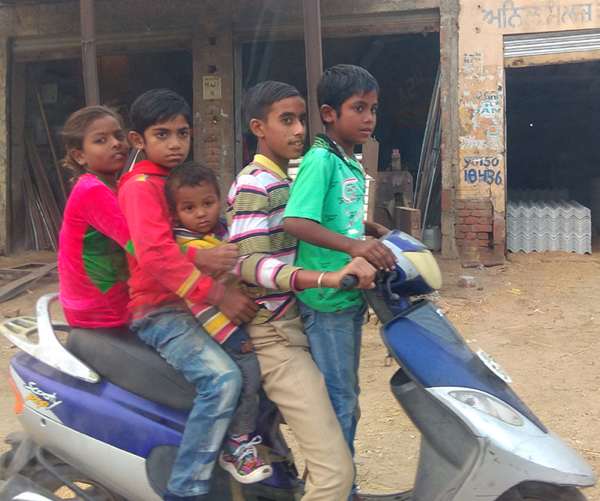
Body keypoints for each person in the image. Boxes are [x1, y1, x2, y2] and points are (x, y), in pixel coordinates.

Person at [227, 80, 377, 501]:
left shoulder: (285, 179)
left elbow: (313, 224)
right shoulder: (255, 183)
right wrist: (325, 278)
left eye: (300, 119)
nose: (298, 130)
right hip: (274, 333)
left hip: (295, 320)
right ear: (259, 127)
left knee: (345, 404)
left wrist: (368, 231)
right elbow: (249, 263)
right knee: (334, 474)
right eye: (286, 120)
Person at [118, 89, 259, 501]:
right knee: (222, 380)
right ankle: (185, 488)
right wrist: (218, 294)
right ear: (138, 140)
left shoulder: (179, 182)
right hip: (160, 310)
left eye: (182, 133)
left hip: (191, 306)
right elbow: (155, 254)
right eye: (161, 134)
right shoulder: (141, 187)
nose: (174, 143)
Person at [283, 64, 397, 501]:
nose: (369, 118)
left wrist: (370, 229)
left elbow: (334, 213)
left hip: (347, 295)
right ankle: (335, 491)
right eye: (358, 108)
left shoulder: (345, 158)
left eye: (373, 109)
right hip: (326, 299)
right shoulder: (320, 160)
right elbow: (297, 220)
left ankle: (333, 483)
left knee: (346, 395)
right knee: (340, 402)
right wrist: (353, 247)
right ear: (329, 113)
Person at [164, 161, 272, 484]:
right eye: (189, 208)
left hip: (234, 316)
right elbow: (198, 303)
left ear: (220, 200)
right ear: (175, 214)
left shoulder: (221, 231)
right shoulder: (192, 248)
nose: (201, 214)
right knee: (248, 372)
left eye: (207, 203)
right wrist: (233, 338)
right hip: (218, 328)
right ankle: (237, 443)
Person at [58, 106, 131, 328]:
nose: (116, 143)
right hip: (98, 306)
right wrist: (200, 256)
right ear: (79, 156)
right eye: (101, 140)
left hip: (106, 295)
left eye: (119, 136)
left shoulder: (115, 184)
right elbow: (140, 244)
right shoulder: (92, 191)